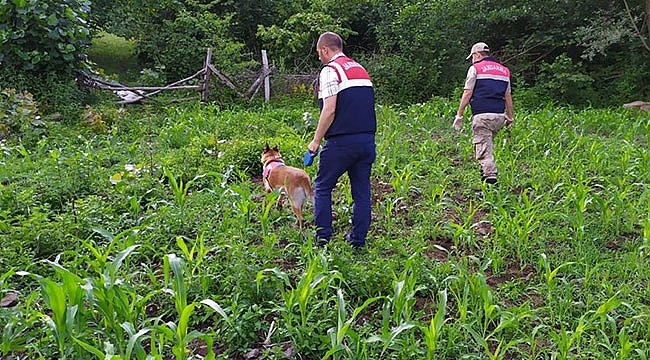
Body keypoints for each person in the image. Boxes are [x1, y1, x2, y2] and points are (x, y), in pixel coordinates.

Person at [307, 31, 377, 248]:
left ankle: (322, 239)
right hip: (366, 141)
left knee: (322, 186)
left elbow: (329, 109)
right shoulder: (360, 69)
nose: (320, 57)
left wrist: (316, 141)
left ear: (325, 50)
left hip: (341, 143)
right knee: (362, 191)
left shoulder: (330, 71)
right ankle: (358, 241)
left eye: (319, 53)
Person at [454, 42, 514, 184]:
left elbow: (468, 92)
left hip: (482, 116)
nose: (472, 60)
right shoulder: (504, 70)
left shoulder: (475, 68)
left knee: (484, 154)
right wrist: (510, 116)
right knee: (486, 145)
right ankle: (486, 176)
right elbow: (508, 96)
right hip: (499, 116)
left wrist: (459, 115)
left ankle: (490, 185)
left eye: (472, 57)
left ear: (478, 55)